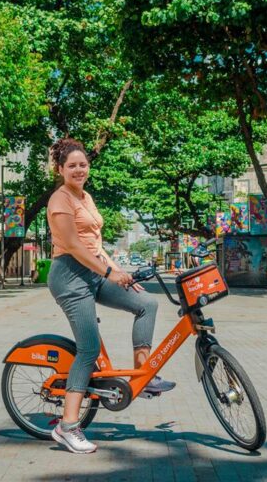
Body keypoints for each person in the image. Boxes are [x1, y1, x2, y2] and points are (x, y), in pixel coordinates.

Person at [46, 138, 175, 454]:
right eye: (72, 165)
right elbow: (74, 245)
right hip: (69, 277)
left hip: (94, 271)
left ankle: (143, 376)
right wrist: (109, 273)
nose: (79, 170)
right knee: (88, 349)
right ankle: (68, 427)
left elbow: (96, 244)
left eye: (83, 164)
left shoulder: (85, 196)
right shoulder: (60, 200)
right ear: (60, 169)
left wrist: (121, 274)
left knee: (147, 303)